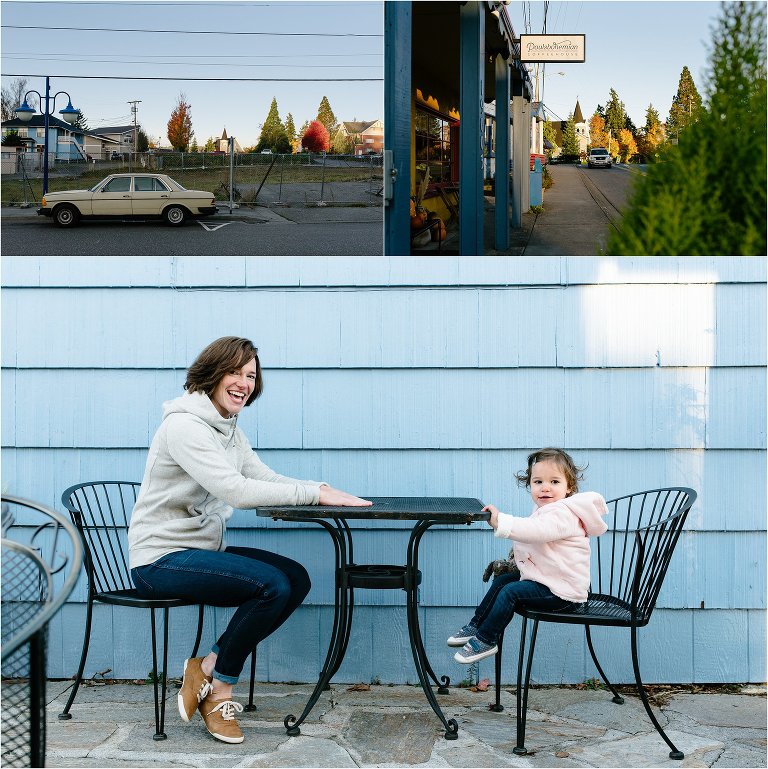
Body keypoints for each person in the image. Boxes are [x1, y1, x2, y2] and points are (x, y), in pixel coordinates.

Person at [128, 336, 371, 744]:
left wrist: (322, 488)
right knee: (270, 584)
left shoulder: (228, 428)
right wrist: (316, 495)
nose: (244, 383)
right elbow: (237, 491)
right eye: (235, 373)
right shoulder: (184, 426)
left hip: (200, 552)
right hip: (159, 561)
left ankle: (205, 666)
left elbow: (262, 477)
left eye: (251, 375)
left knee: (295, 577)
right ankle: (220, 690)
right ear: (212, 373)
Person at [447, 448, 608, 663]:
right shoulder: (548, 509)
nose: (545, 488)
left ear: (569, 487)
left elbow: (536, 531)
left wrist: (500, 520)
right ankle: (476, 624)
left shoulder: (564, 513)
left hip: (562, 593)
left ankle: (486, 639)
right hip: (547, 580)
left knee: (511, 592)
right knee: (504, 580)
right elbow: (535, 532)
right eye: (538, 482)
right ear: (530, 484)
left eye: (555, 482)